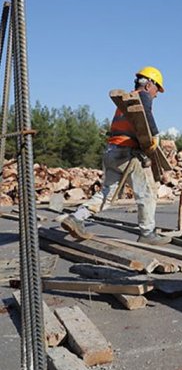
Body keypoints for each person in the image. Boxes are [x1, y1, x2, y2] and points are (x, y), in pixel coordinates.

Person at [61, 66, 171, 246]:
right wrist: (155, 135)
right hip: (127, 153)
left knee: (107, 194)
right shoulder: (141, 97)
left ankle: (77, 217)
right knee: (147, 193)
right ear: (148, 84)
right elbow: (147, 114)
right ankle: (148, 233)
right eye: (156, 88)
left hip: (112, 151)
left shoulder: (125, 102)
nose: (156, 94)